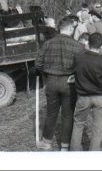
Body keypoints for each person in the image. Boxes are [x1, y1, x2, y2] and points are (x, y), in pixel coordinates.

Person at [35, 16, 85, 151]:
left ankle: (46, 142)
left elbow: (38, 64)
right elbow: (82, 66)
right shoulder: (78, 46)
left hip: (51, 81)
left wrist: (47, 75)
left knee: (51, 112)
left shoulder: (48, 43)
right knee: (68, 114)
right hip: (69, 82)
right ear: (70, 29)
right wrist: (74, 75)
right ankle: (65, 146)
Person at [70, 33, 102, 151]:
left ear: (87, 43)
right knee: (98, 126)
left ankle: (74, 151)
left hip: (83, 96)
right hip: (100, 97)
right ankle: (94, 152)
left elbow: (74, 72)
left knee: (78, 124)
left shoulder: (78, 58)